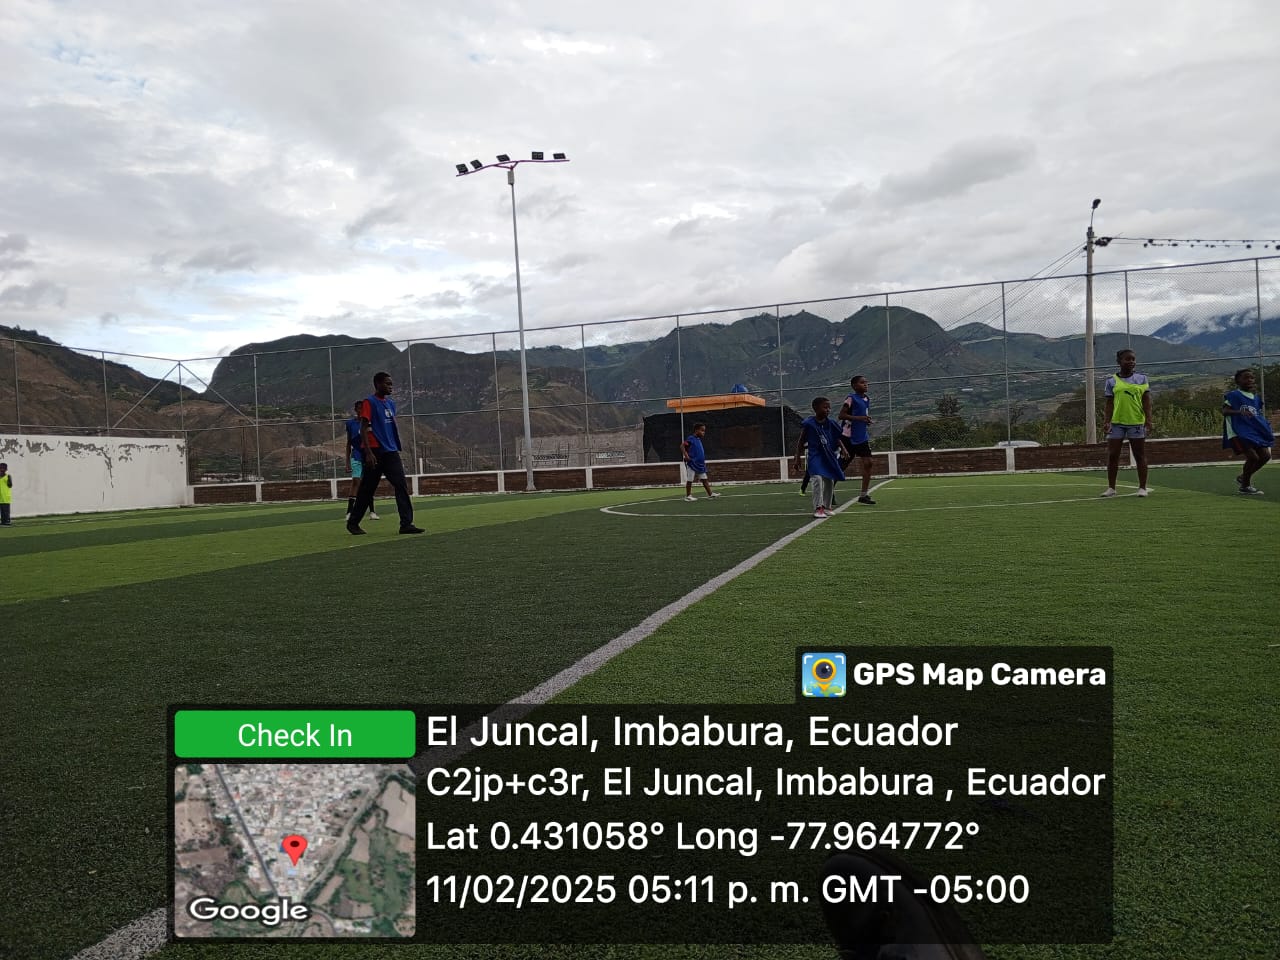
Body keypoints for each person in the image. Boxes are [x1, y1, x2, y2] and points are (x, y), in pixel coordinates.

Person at [347, 372, 424, 535]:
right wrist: (368, 452)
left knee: (401, 485)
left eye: (391, 384)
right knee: (367, 489)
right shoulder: (369, 402)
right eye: (387, 384)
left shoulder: (390, 404)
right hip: (375, 452)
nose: (391, 387)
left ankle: (406, 524)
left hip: (390, 452)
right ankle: (353, 523)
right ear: (378, 384)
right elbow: (363, 428)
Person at [1101, 349, 1152, 498]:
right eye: (1127, 359)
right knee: (1113, 455)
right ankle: (1111, 488)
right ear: (1119, 362)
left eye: (1133, 359)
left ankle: (1142, 488)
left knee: (1139, 455)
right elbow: (1109, 403)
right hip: (1116, 423)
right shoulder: (1111, 381)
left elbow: (1146, 401)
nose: (1131, 362)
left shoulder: (1142, 379)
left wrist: (1148, 420)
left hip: (1136, 422)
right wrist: (1107, 421)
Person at [1222, 368, 1273, 495]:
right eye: (1246, 377)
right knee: (1253, 457)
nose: (1249, 380)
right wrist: (1239, 412)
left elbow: (1257, 415)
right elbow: (1225, 411)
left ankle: (1242, 478)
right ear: (1238, 381)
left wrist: (1264, 425)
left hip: (1252, 431)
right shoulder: (1234, 395)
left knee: (1265, 456)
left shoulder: (1256, 398)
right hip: (1238, 431)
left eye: (1251, 378)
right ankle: (1245, 486)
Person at [794, 397, 846, 519]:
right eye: (825, 407)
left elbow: (837, 438)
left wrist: (843, 448)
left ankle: (827, 507)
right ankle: (819, 508)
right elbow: (801, 440)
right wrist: (797, 457)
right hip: (815, 455)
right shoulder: (809, 424)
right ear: (815, 408)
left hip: (828, 455)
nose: (828, 410)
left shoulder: (831, 423)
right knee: (817, 478)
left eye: (829, 408)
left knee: (829, 480)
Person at [837, 375, 877, 505]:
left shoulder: (866, 399)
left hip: (861, 437)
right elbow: (841, 415)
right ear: (854, 386)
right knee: (841, 466)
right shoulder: (850, 398)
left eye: (866, 382)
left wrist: (866, 420)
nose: (865, 384)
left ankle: (863, 495)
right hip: (848, 437)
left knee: (868, 462)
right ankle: (828, 490)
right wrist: (859, 418)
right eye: (862, 382)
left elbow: (863, 415)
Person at [344, 401, 379, 521]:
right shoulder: (350, 424)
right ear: (355, 410)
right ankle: (349, 511)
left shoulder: (369, 423)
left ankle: (372, 511)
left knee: (367, 483)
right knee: (356, 481)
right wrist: (347, 462)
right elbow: (349, 443)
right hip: (356, 455)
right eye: (359, 409)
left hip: (367, 455)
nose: (361, 411)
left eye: (363, 409)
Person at [681, 422, 721, 501]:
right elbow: (682, 446)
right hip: (692, 463)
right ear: (696, 430)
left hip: (700, 464)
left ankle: (710, 494)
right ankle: (688, 496)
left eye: (704, 431)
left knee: (704, 479)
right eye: (702, 430)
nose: (703, 432)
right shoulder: (691, 438)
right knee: (690, 479)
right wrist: (686, 455)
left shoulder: (698, 439)